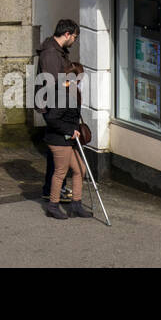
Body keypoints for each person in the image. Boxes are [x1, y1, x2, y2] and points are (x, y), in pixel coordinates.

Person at [37, 18, 79, 204]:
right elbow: (54, 83)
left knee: (58, 148)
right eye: (75, 37)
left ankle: (54, 187)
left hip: (56, 105)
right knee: (59, 147)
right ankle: (53, 189)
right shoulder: (51, 54)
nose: (74, 40)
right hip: (54, 107)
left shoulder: (57, 51)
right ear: (67, 34)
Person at [44, 61, 93, 220]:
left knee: (80, 169)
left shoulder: (68, 91)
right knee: (60, 172)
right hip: (59, 140)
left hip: (68, 140)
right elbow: (52, 118)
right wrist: (69, 131)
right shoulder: (62, 95)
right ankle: (53, 205)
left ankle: (76, 204)